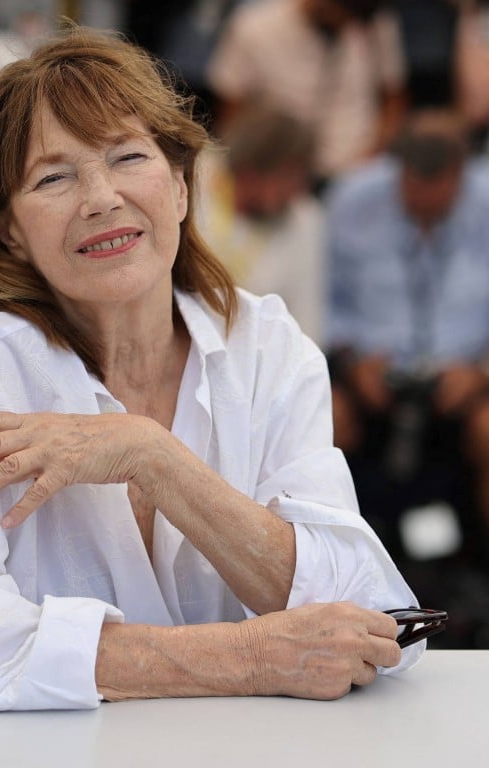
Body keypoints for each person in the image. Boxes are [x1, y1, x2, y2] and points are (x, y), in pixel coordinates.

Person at [0, 27, 422, 710]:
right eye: (54, 176)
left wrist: (154, 458)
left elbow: (371, 619)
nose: (100, 198)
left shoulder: (268, 348)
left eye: (127, 156)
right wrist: (246, 657)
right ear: (10, 230)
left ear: (182, 188)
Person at [326, 108, 489, 550]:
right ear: (397, 168)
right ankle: (336, 567)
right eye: (413, 188)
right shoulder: (352, 199)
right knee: (322, 425)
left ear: (461, 173)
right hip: (367, 371)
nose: (423, 205)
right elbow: (325, 299)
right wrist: (351, 361)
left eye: (438, 193)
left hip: (469, 375)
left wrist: (480, 372)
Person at [206, 0, 407, 181]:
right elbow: (231, 111)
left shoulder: (374, 24)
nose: (347, 23)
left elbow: (393, 99)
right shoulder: (254, 26)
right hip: (278, 178)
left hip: (355, 169)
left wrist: (373, 158)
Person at [197, 103, 326, 344]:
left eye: (302, 178)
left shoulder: (305, 218)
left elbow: (307, 320)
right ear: (250, 169)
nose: (296, 191)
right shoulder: (194, 180)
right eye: (289, 176)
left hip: (256, 354)